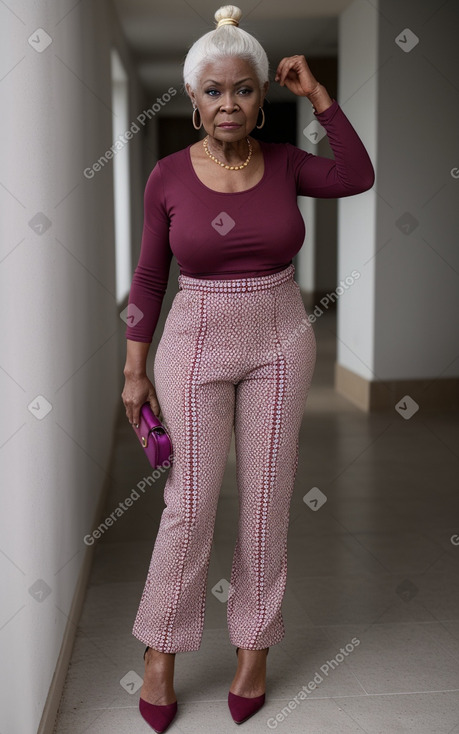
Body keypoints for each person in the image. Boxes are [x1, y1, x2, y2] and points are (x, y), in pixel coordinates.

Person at [121, 4, 374, 731]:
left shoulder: (288, 162)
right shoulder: (167, 175)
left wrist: (320, 98)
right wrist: (134, 371)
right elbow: (146, 278)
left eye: (242, 89)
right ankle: (160, 651)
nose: (227, 103)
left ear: (262, 98)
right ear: (192, 99)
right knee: (191, 502)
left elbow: (356, 175)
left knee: (267, 497)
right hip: (193, 339)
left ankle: (253, 646)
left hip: (279, 337)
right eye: (212, 90)